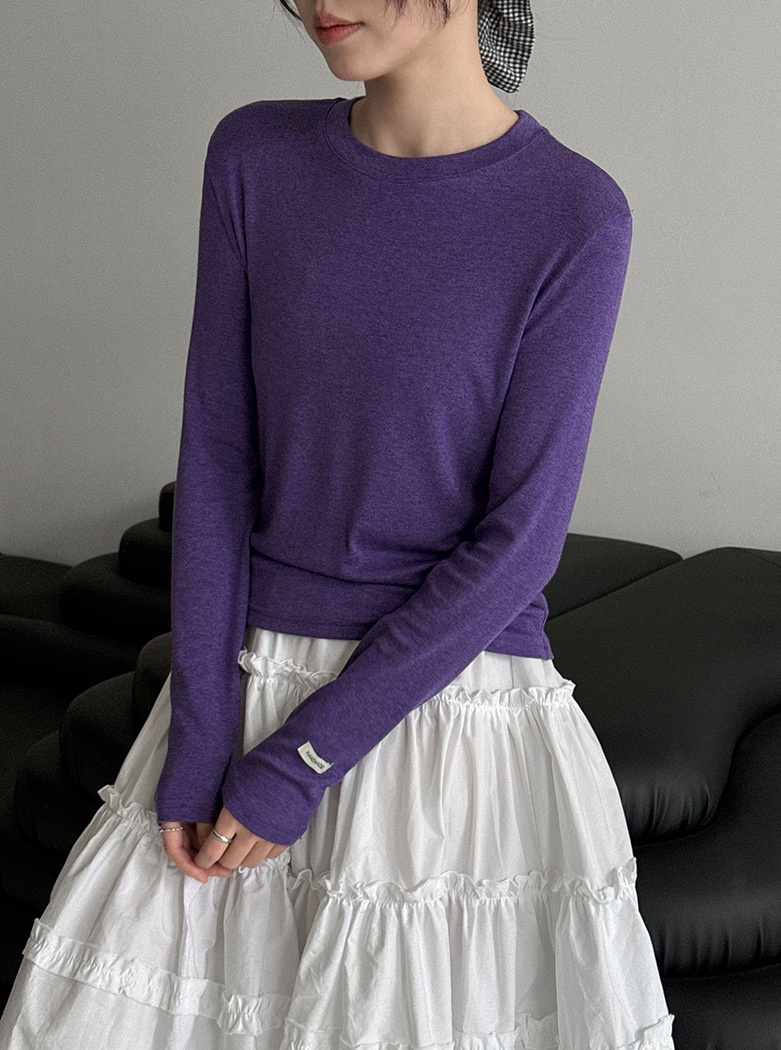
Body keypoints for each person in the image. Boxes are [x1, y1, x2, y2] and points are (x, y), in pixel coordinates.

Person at [0, 0, 677, 1045]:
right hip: (246, 681)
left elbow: (520, 541)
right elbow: (217, 460)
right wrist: (203, 732)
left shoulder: (574, 213)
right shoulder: (254, 156)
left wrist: (301, 761)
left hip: (446, 716)